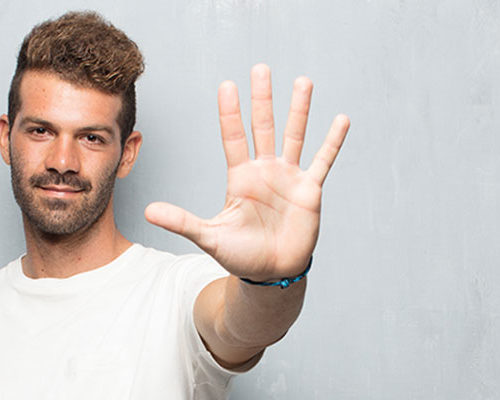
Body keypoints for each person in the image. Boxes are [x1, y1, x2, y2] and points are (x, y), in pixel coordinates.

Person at [0, 11, 350, 400]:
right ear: (5, 138)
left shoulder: (177, 291)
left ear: (127, 154)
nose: (63, 161)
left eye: (91, 138)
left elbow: (241, 325)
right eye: (41, 131)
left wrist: (271, 280)